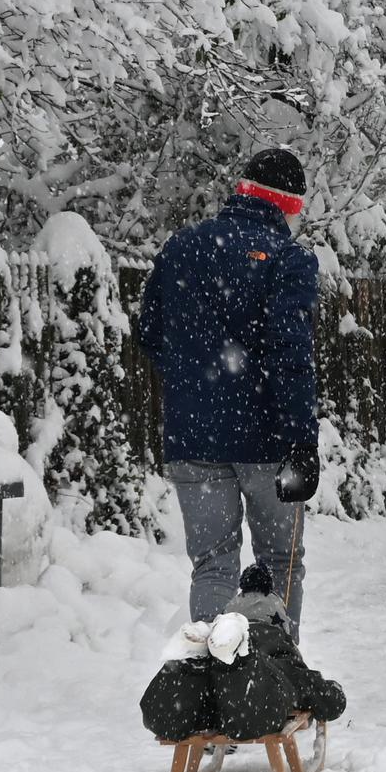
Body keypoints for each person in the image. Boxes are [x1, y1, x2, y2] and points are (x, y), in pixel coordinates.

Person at [137, 147, 321, 642]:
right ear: (290, 206)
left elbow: (150, 333)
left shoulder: (181, 247)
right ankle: (274, 679)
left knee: (213, 565)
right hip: (268, 442)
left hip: (193, 440)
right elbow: (291, 354)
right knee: (280, 562)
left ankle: (212, 687)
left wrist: (199, 382)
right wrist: (302, 440)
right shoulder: (290, 260)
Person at [141, 565, 346, 742]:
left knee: (183, 704)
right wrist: (333, 691)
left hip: (213, 694)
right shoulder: (284, 656)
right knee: (253, 706)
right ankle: (237, 661)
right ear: (282, 628)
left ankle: (189, 664)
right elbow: (330, 701)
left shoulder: (220, 649)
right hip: (249, 703)